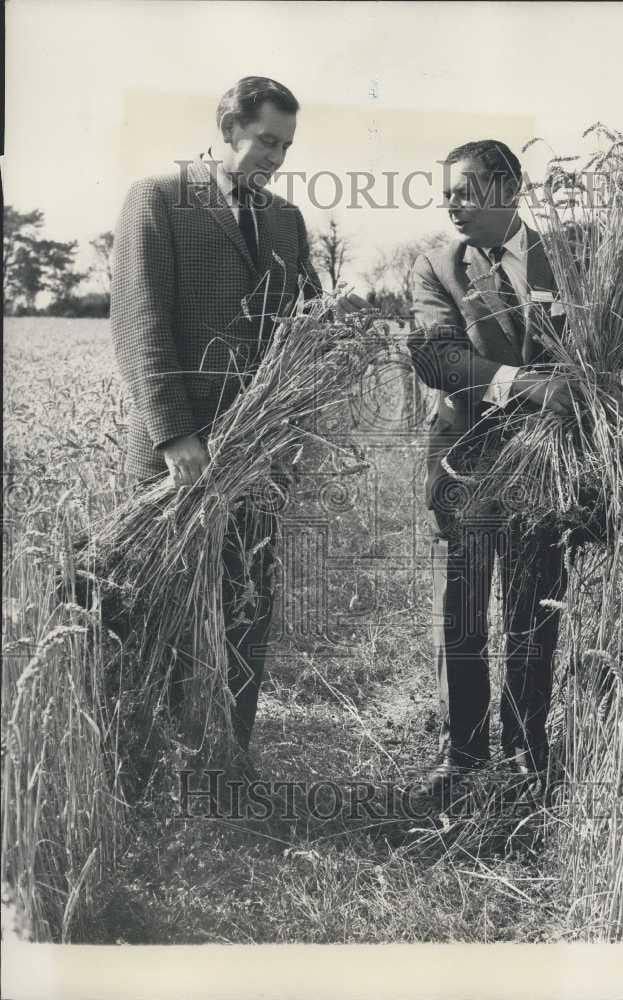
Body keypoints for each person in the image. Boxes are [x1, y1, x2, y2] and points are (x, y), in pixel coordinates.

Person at [111, 76, 363, 754]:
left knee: (246, 601)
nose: (274, 159)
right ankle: (159, 756)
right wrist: (173, 434)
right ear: (228, 127)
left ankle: (229, 755)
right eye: (264, 142)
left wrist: (335, 339)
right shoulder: (159, 200)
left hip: (259, 454)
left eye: (284, 147)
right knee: (166, 603)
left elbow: (302, 320)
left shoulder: (285, 220)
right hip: (181, 452)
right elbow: (141, 324)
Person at [407, 139, 623, 798]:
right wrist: (530, 386)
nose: (451, 201)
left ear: (509, 190)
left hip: (554, 465)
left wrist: (606, 384)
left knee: (535, 608)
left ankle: (527, 754)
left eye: (467, 188)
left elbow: (621, 346)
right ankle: (464, 757)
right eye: (447, 189)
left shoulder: (572, 260)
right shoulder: (435, 268)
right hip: (469, 461)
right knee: (467, 610)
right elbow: (437, 361)